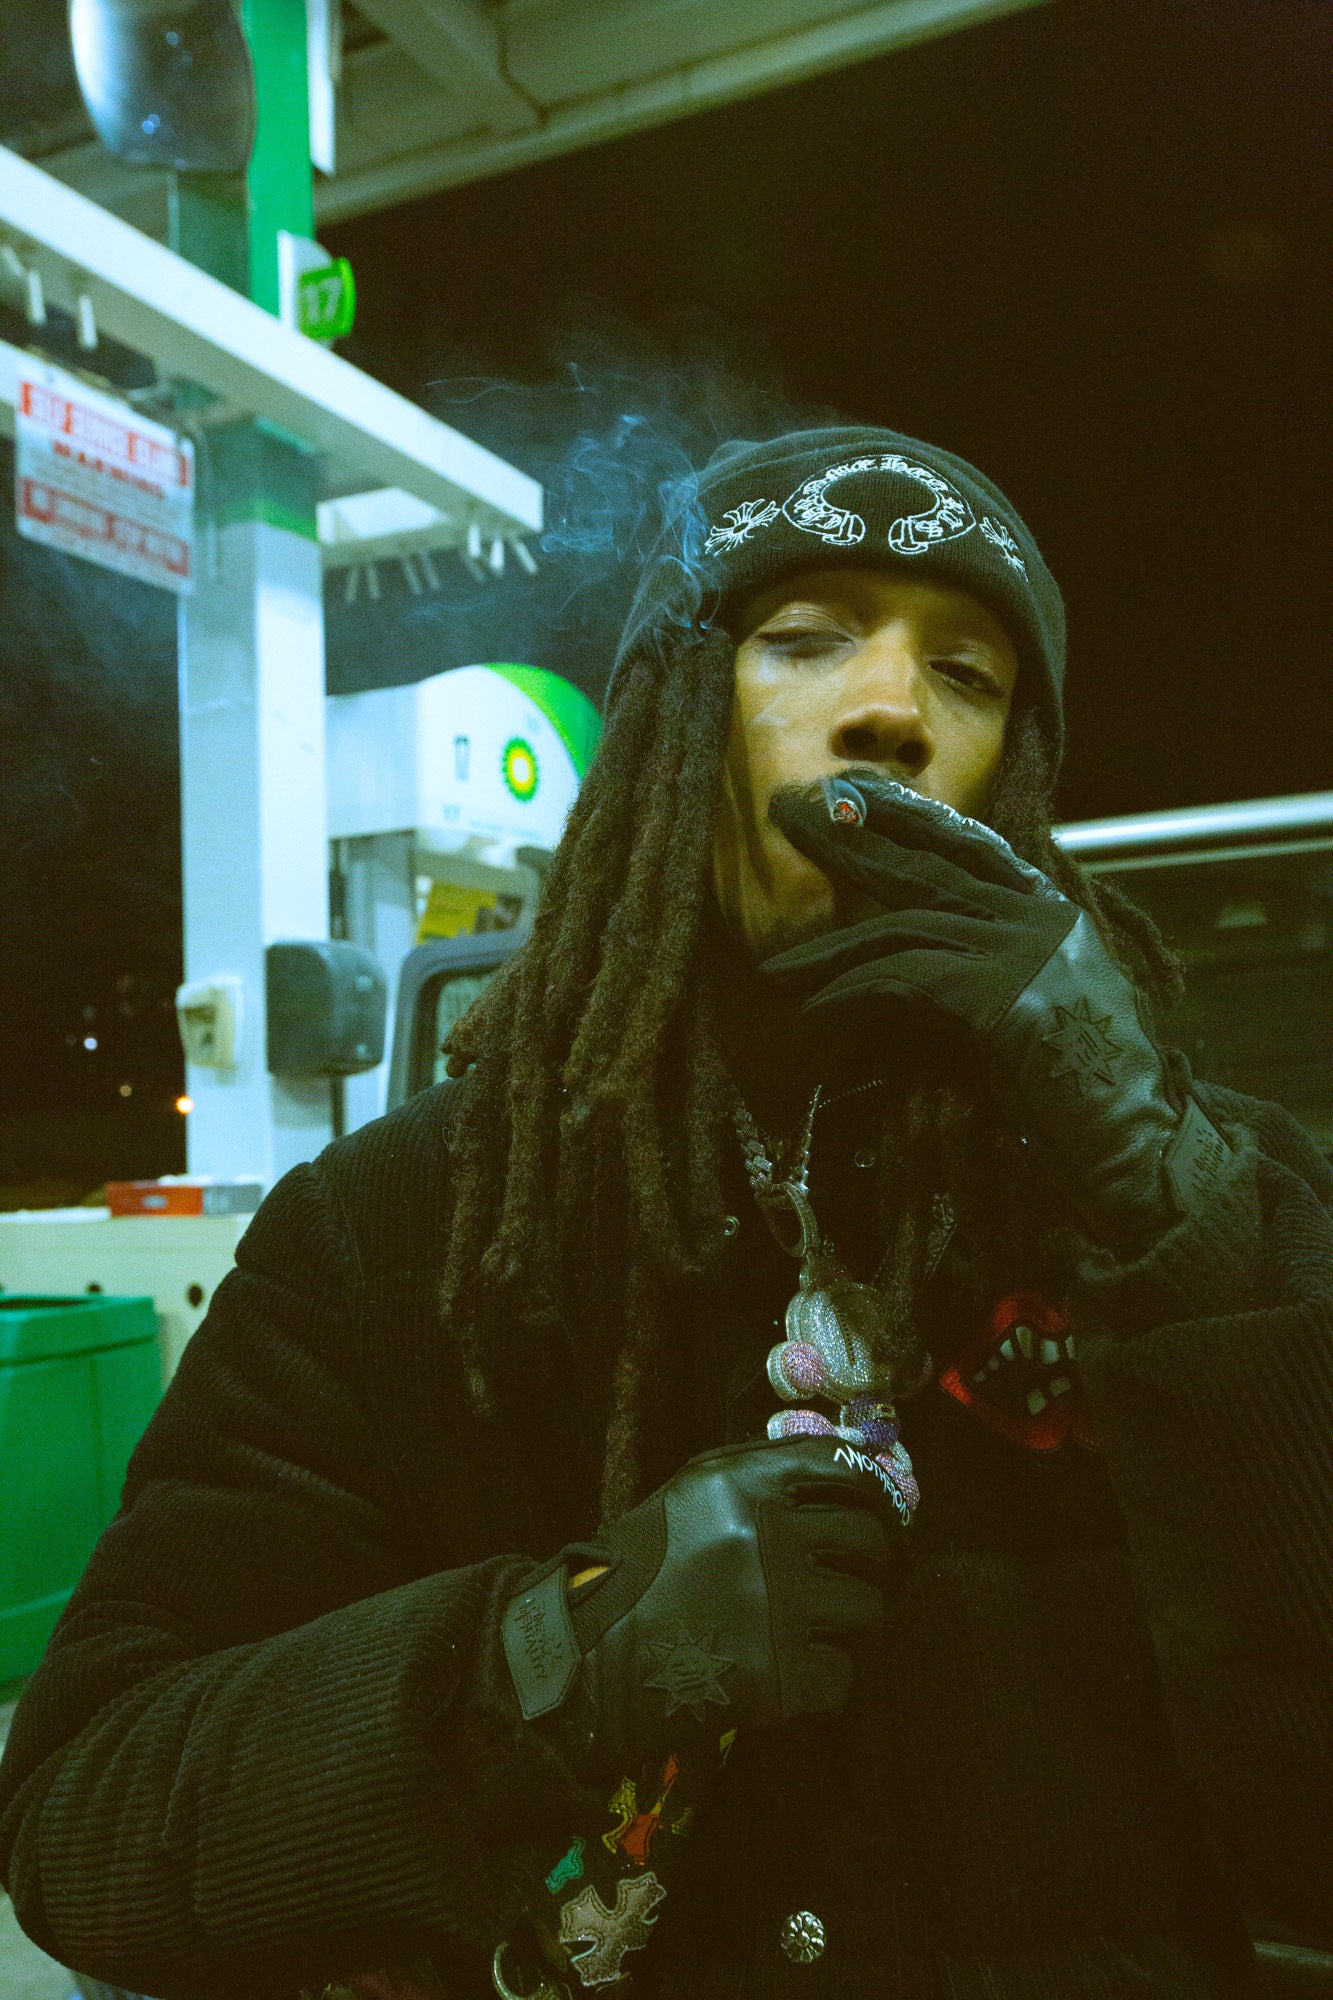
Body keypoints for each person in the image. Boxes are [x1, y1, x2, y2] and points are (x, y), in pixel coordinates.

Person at [1, 427, 1330, 2000]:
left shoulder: (1196, 1197)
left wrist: (1148, 1165)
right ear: (668, 721)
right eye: (804, 638)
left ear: (1014, 775)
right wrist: (550, 1658)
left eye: (967, 674)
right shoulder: (404, 1222)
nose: (890, 709)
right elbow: (90, 1819)